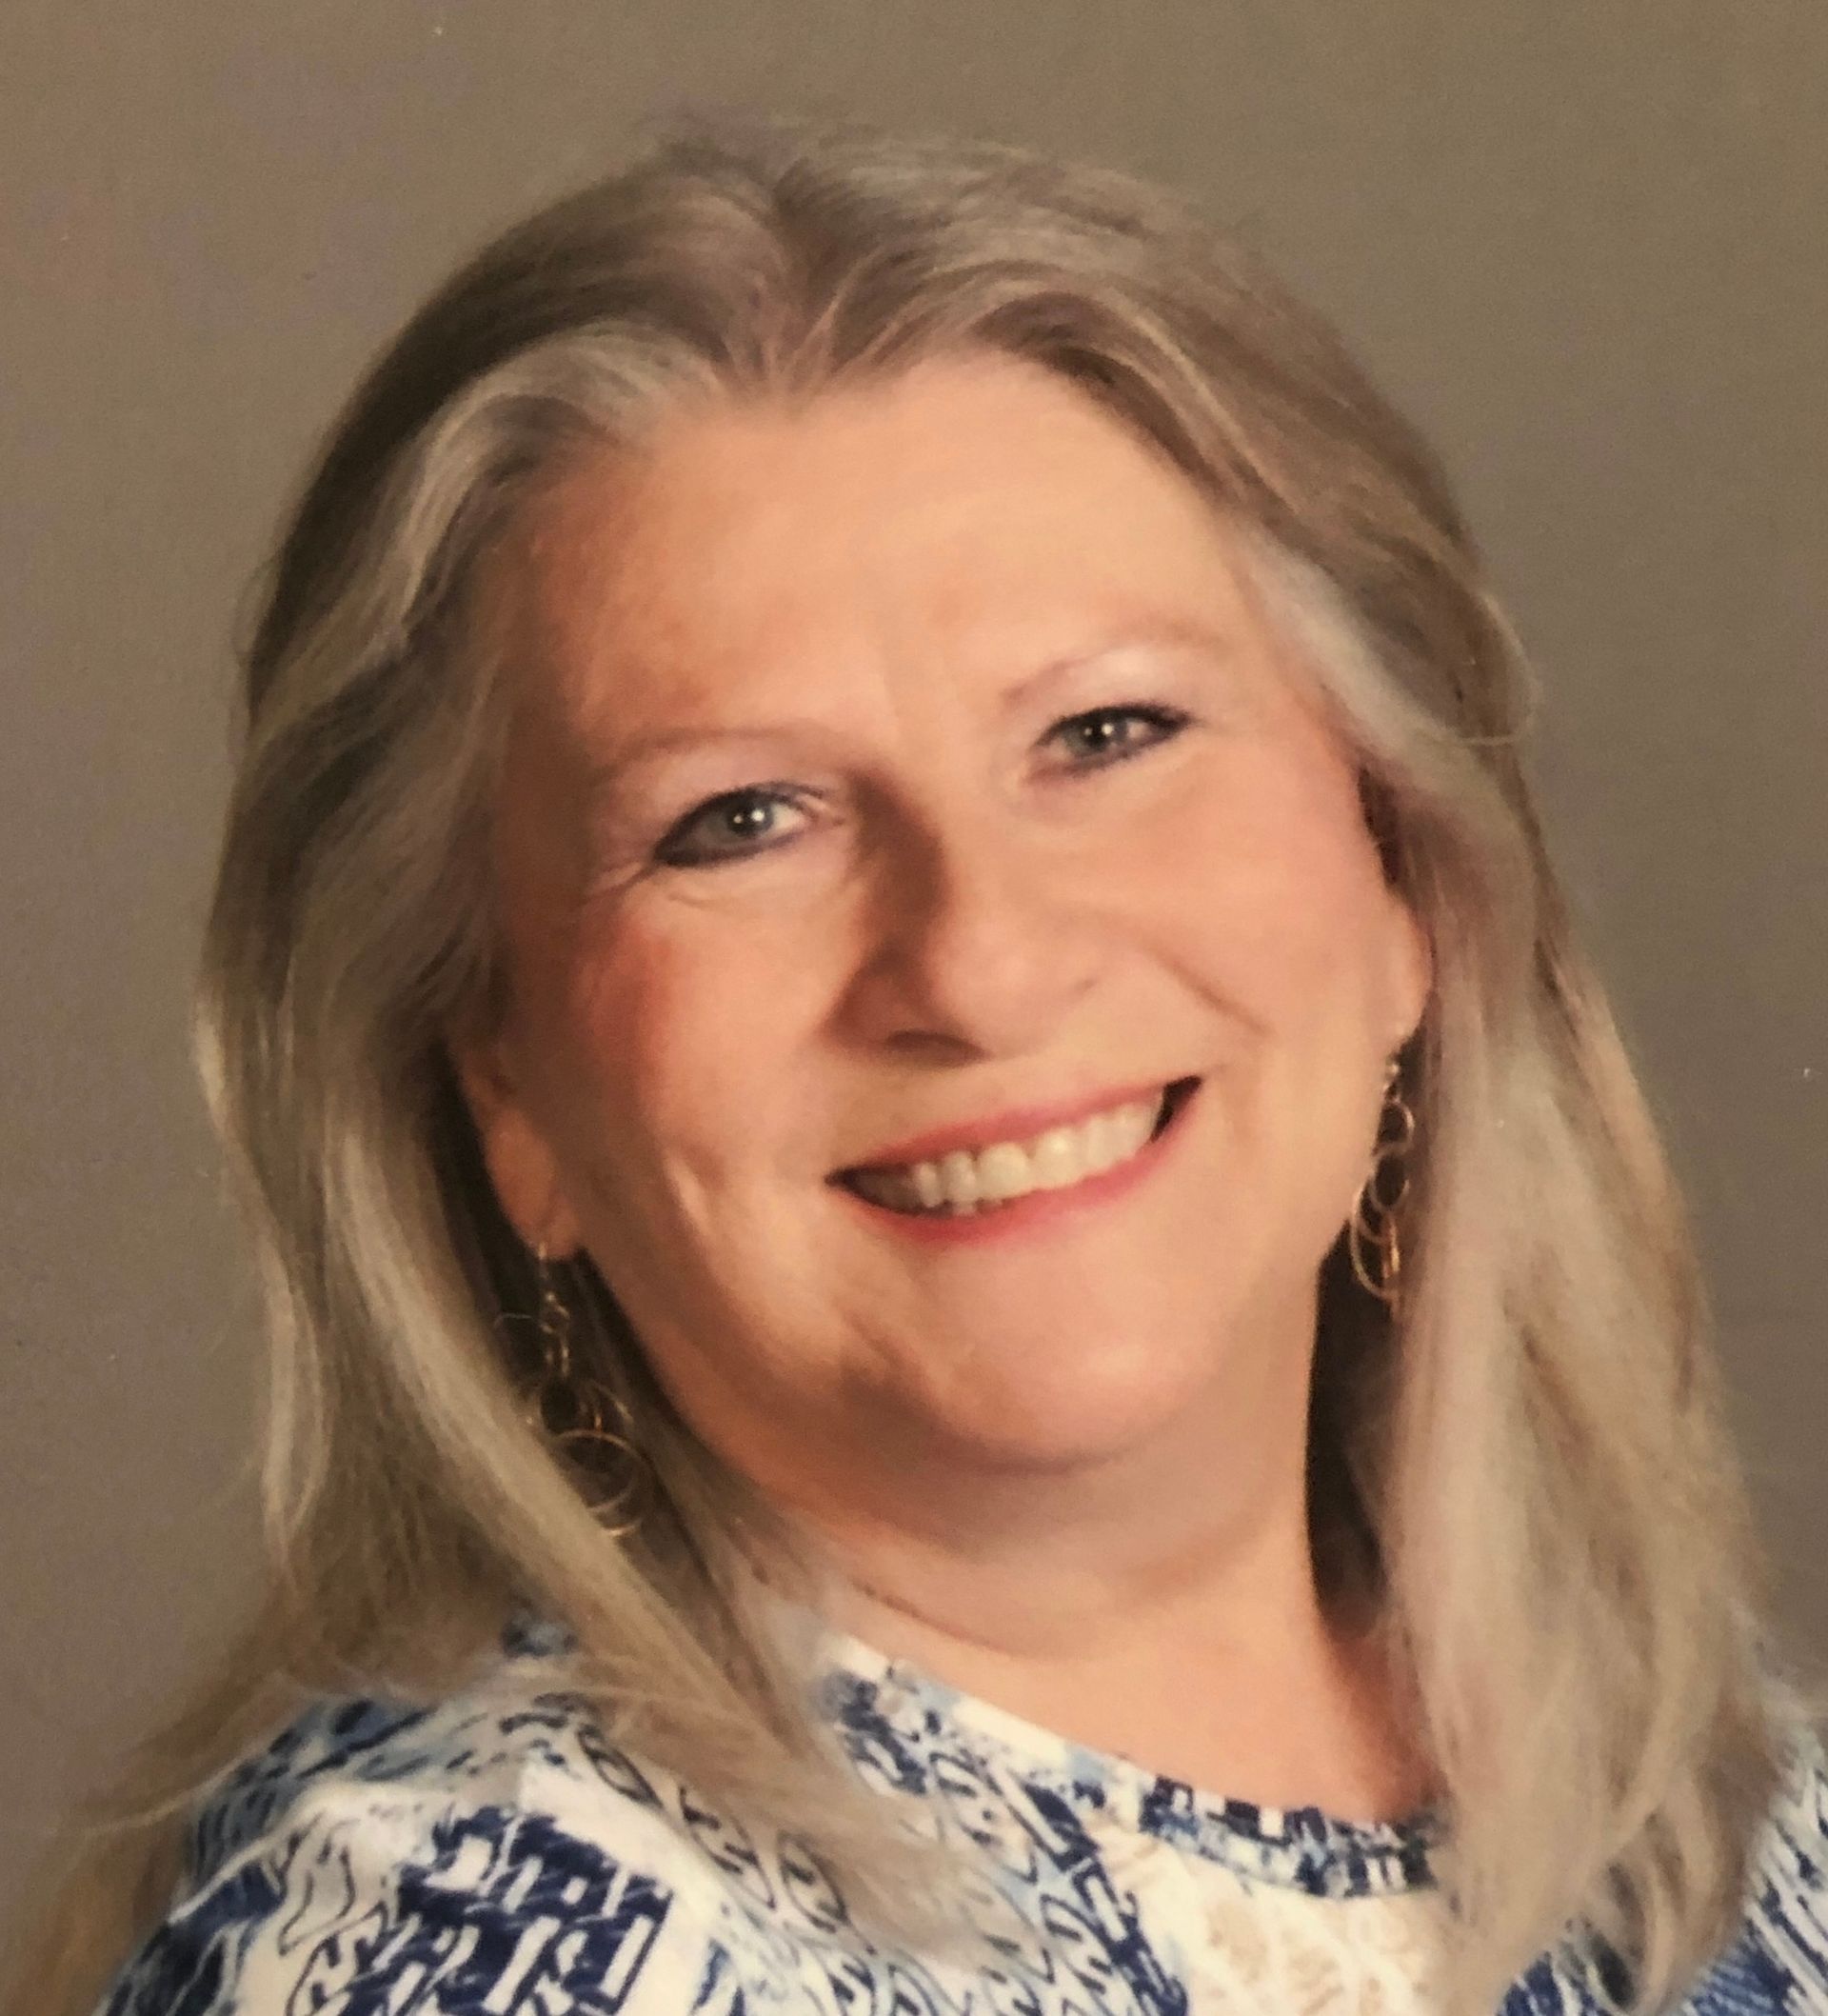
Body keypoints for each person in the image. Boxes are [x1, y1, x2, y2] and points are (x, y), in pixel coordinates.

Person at [10, 118, 1825, 2016]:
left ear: (1405, 885)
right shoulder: (474, 1944)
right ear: (504, 1092)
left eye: (1110, 729)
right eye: (741, 819)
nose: (981, 960)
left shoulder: (1733, 1819)